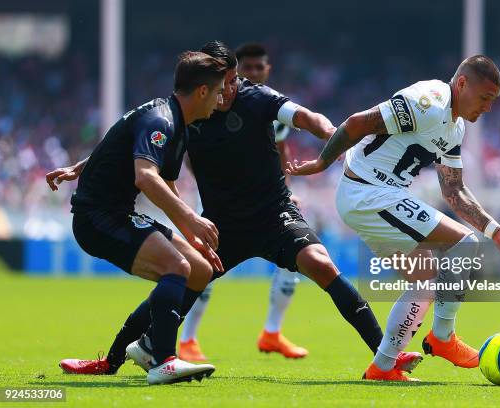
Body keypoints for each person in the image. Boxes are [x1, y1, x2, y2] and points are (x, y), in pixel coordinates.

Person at [47, 41, 423, 378]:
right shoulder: (185, 115)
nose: (227, 91)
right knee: (184, 275)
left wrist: (337, 142)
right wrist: (82, 167)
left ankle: (383, 356)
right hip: (222, 223)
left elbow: (308, 118)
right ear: (206, 86)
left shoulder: (256, 98)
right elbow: (135, 143)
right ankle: (122, 357)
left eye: (232, 82)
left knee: (321, 264)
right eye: (222, 83)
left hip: (272, 214)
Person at [286, 55, 500, 381]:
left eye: (493, 101)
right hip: (368, 192)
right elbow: (357, 123)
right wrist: (321, 162)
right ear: (462, 84)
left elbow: (453, 191)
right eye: (484, 98)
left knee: (426, 281)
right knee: (465, 245)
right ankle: (443, 338)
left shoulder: (454, 128)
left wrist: (496, 231)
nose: (487, 108)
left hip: (375, 196)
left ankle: (382, 367)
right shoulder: (428, 102)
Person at [50, 52, 227, 385]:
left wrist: (192, 234)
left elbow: (152, 170)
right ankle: (162, 360)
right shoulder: (162, 119)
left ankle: (127, 354)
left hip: (119, 213)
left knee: (199, 271)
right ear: (202, 91)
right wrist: (191, 219)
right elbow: (145, 177)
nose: (220, 100)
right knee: (177, 269)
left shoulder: (176, 124)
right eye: (218, 91)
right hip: (97, 218)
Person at [178, 43, 308, 362]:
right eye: (245, 69)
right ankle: (187, 339)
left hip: (264, 199)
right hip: (217, 196)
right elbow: (188, 151)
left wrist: (284, 189)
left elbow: (280, 150)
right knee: (204, 263)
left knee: (296, 260)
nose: (251, 74)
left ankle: (272, 332)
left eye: (257, 69)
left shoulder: (268, 103)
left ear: (267, 70)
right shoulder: (213, 101)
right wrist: (208, 183)